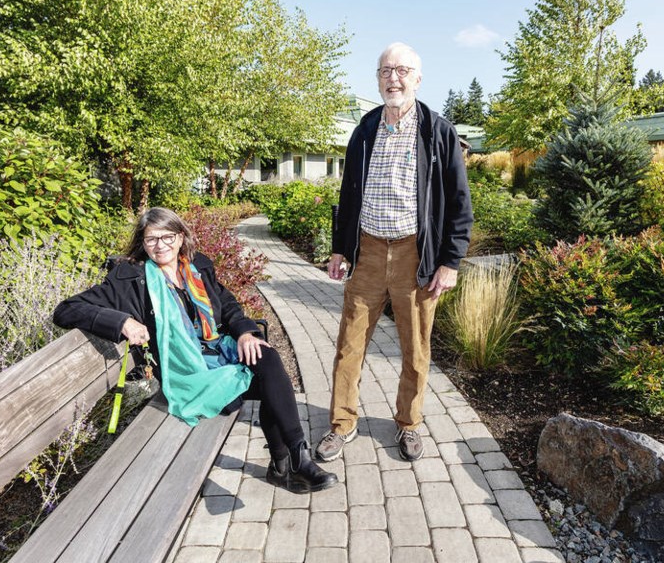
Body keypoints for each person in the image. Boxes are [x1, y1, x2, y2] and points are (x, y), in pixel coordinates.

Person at [54, 207, 337, 494]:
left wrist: (245, 333)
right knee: (270, 383)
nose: (160, 245)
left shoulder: (196, 267)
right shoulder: (129, 280)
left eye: (167, 237)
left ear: (180, 238)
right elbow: (65, 310)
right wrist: (122, 321)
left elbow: (226, 304)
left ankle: (295, 460)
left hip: (218, 351)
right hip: (186, 372)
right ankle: (286, 466)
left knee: (265, 356)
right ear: (142, 242)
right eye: (152, 239)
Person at [317, 42, 473, 463]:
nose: (394, 78)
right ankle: (342, 424)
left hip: (414, 257)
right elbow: (349, 195)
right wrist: (340, 249)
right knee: (349, 344)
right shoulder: (365, 129)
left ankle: (408, 424)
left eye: (402, 71)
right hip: (367, 252)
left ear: (417, 79)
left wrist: (451, 261)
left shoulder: (437, 132)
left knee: (415, 349)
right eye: (386, 71)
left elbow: (460, 203)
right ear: (378, 77)